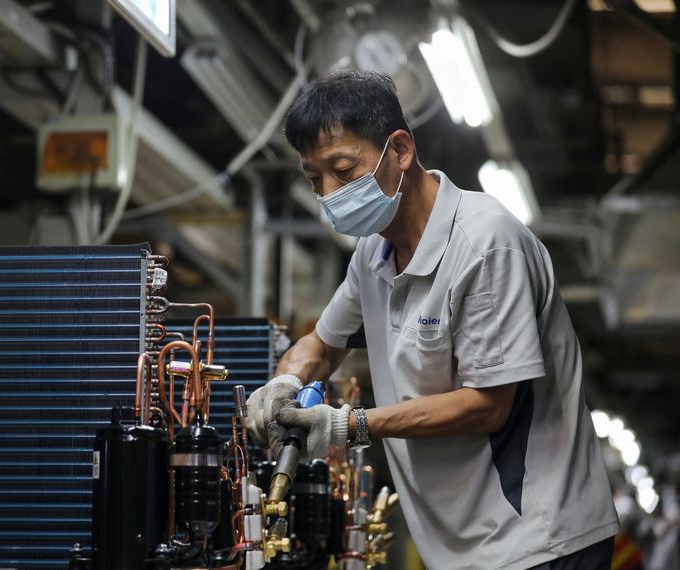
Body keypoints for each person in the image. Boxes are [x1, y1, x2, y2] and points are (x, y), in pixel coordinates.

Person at [246, 69, 619, 570]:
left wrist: (348, 425)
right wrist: (284, 383)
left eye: (343, 170)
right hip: (465, 547)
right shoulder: (372, 255)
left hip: (538, 539)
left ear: (400, 150)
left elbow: (489, 405)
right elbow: (323, 345)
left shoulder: (485, 245)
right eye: (315, 179)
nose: (330, 193)